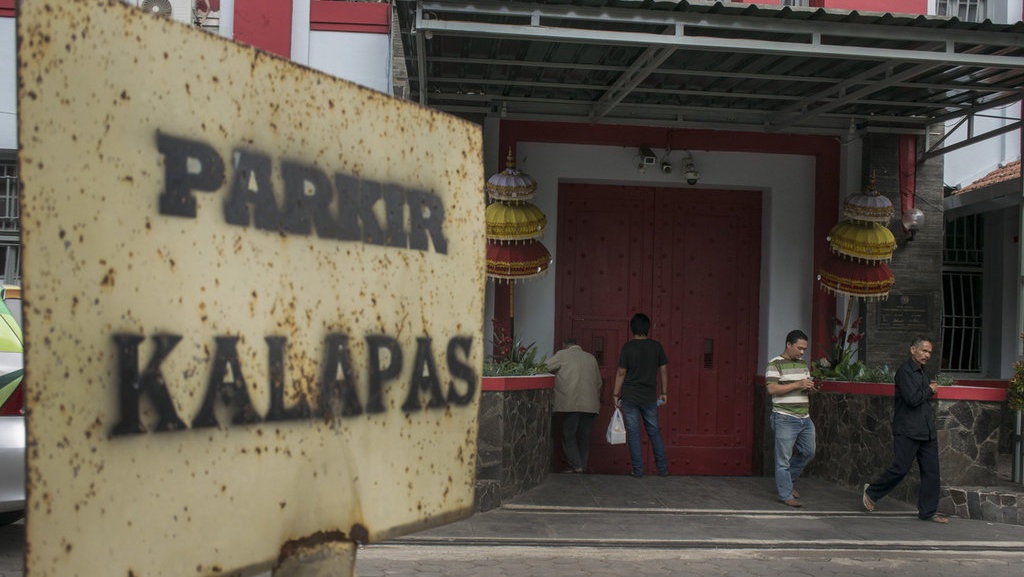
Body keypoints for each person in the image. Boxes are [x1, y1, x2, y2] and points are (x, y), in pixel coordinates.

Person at [862, 336, 949, 523]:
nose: (927, 355)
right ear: (913, 350)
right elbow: (912, 399)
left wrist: (928, 390)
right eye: (924, 351)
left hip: (926, 431)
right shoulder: (904, 372)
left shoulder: (923, 373)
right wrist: (930, 390)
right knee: (901, 468)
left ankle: (928, 512)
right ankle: (872, 492)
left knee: (932, 473)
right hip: (908, 429)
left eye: (929, 352)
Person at [612, 313, 669, 477]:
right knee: (654, 431)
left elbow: (621, 372)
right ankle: (663, 469)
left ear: (632, 329)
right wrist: (664, 392)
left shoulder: (627, 347)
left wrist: (616, 394)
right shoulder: (656, 347)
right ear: (648, 328)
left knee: (634, 434)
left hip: (630, 397)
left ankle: (637, 470)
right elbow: (663, 370)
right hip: (649, 397)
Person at [765, 329, 816, 507]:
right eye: (799, 348)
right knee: (783, 459)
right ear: (788, 344)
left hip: (804, 418)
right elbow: (772, 389)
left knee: (809, 451)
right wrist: (798, 384)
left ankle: (788, 482)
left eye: (804, 349)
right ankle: (785, 494)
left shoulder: (802, 364)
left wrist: (808, 387)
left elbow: (801, 386)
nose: (802, 352)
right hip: (785, 417)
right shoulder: (774, 364)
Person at [546, 337, 603, 473]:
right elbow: (599, 382)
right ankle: (582, 465)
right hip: (590, 405)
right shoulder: (591, 358)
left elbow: (545, 367)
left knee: (569, 435)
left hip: (571, 403)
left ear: (565, 345)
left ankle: (577, 466)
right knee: (584, 437)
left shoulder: (562, 354)